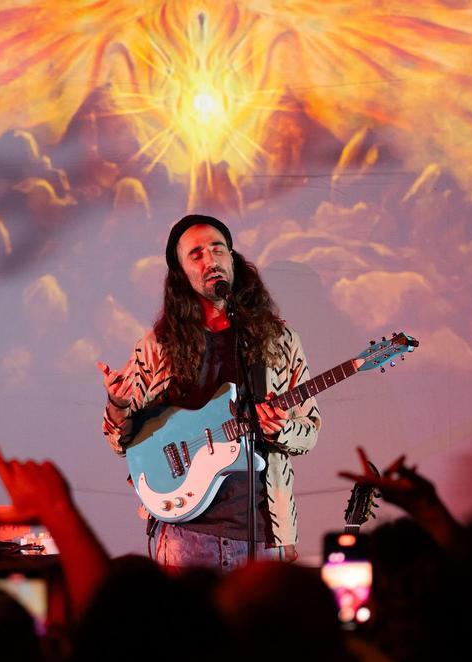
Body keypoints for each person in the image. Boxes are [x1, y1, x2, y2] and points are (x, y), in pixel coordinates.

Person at [99, 214, 320, 570]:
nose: (210, 260)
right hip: (185, 533)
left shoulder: (279, 340)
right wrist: (118, 403)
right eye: (196, 254)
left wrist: (281, 429)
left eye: (218, 249)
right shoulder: (158, 346)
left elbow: (309, 431)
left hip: (268, 534)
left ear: (233, 258)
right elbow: (118, 439)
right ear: (181, 273)